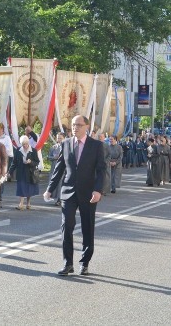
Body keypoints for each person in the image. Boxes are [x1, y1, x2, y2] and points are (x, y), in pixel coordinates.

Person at [44, 115, 105, 276]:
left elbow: (101, 171)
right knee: (66, 226)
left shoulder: (96, 146)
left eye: (78, 125)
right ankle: (67, 263)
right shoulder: (65, 144)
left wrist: (98, 190)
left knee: (87, 227)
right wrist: (50, 189)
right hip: (68, 192)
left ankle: (84, 262)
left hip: (88, 193)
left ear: (86, 127)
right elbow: (59, 169)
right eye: (73, 125)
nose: (75, 127)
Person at [8, 135, 39, 210]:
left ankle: (28, 203)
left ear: (28, 143)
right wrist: (9, 172)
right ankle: (21, 204)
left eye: (26, 144)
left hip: (30, 172)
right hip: (21, 171)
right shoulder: (18, 150)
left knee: (29, 188)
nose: (25, 145)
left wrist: (31, 162)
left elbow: (37, 162)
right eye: (23, 144)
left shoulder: (33, 150)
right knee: (21, 187)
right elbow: (14, 163)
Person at [0, 125, 14, 204]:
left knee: (1, 177)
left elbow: (9, 150)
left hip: (3, 160)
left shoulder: (6, 138)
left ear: (2, 129)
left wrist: (0, 149)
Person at [47, 132, 65, 206]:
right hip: (54, 168)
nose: (59, 139)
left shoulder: (66, 147)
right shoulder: (53, 147)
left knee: (61, 184)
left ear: (64, 138)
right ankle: (54, 197)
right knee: (54, 183)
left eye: (60, 138)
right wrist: (53, 158)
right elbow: (48, 157)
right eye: (58, 138)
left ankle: (60, 199)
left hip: (63, 169)